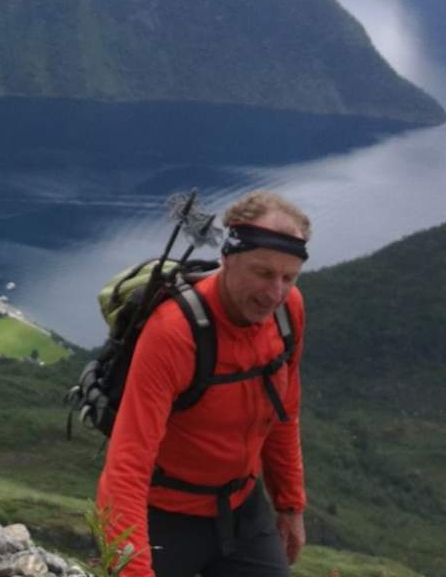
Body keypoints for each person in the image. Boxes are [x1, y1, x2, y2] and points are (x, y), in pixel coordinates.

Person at [96, 191, 311, 577]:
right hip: (165, 517)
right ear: (227, 258)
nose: (275, 293)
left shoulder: (288, 312)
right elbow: (127, 465)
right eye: (263, 273)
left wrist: (290, 505)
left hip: (243, 508)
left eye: (288, 277)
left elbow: (283, 410)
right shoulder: (175, 333)